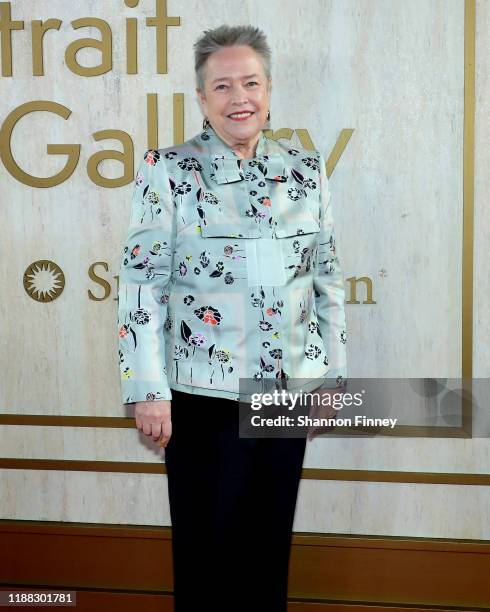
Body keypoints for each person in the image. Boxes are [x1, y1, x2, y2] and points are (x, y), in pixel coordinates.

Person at [117, 24, 347, 612]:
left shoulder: (305, 168)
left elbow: (326, 278)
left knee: (267, 549)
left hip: (286, 392)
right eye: (222, 86)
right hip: (200, 396)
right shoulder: (167, 171)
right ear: (201, 98)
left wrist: (330, 379)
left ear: (268, 89)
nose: (238, 97)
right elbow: (143, 283)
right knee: (207, 552)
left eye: (250, 82)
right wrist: (148, 391)